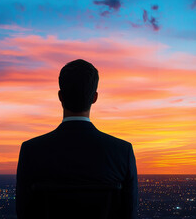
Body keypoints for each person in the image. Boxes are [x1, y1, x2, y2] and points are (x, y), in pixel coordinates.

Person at [16, 59, 138, 218]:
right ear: (95, 97)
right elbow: (129, 214)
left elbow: (24, 213)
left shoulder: (31, 151)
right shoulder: (122, 152)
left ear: (60, 96)